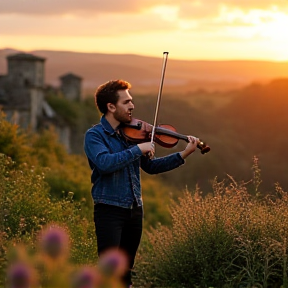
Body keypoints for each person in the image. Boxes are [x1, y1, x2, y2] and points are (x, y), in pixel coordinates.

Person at [84, 79, 199, 288]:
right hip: (109, 210)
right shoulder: (94, 136)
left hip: (135, 209)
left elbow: (151, 167)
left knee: (126, 273)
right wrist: (138, 149)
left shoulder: (131, 134)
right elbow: (104, 163)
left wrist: (183, 154)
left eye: (132, 101)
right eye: (126, 102)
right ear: (111, 107)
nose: (132, 106)